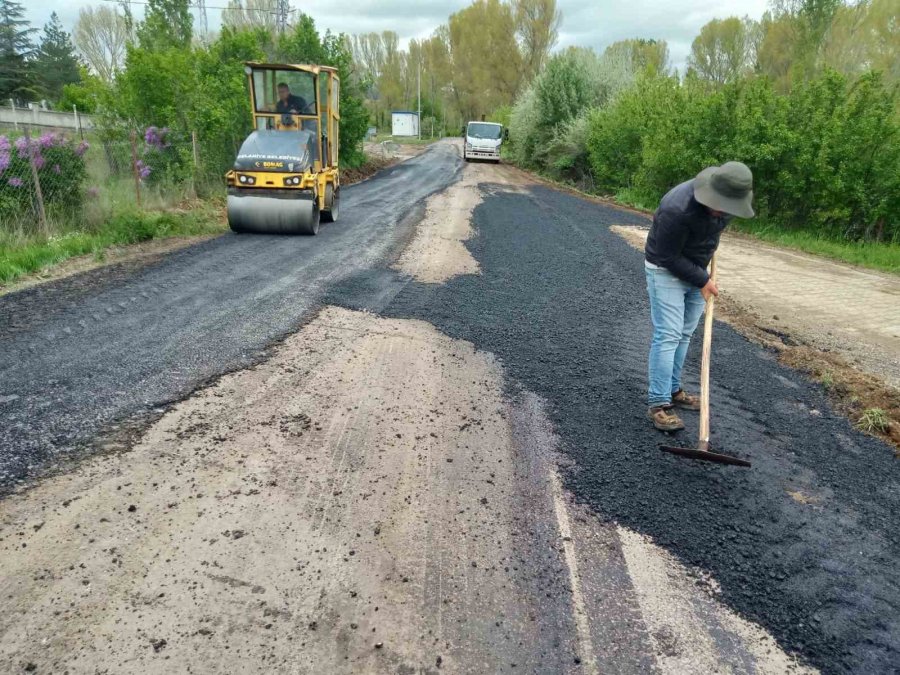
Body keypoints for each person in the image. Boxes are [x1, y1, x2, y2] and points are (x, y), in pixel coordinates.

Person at [644, 161, 754, 431]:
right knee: (668, 334)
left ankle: (673, 390)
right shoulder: (676, 209)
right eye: (720, 207)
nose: (723, 214)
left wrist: (702, 270)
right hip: (665, 270)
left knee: (684, 334)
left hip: (697, 270)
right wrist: (703, 279)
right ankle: (658, 404)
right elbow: (667, 255)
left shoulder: (728, 204)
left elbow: (711, 234)